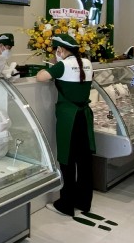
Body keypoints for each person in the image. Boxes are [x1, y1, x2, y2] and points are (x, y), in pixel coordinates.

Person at [36, 34, 95, 216]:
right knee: (84, 161)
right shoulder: (87, 63)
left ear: (60, 50)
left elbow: (40, 77)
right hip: (84, 116)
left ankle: (66, 204)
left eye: (56, 50)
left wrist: (54, 63)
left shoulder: (63, 65)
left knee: (67, 160)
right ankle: (84, 201)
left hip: (69, 118)